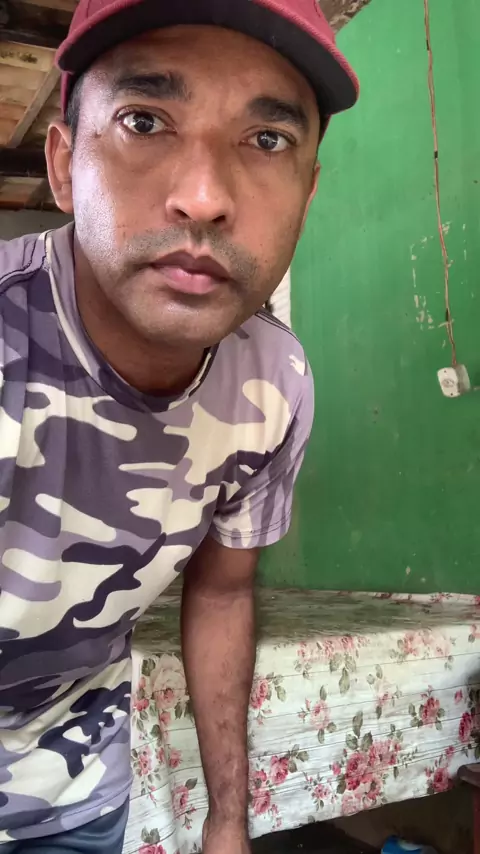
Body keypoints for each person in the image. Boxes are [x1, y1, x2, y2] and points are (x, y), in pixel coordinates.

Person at [0, 1, 358, 851]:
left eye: (265, 139)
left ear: (308, 194)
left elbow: (223, 592)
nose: (203, 197)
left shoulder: (275, 385)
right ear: (64, 164)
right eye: (144, 120)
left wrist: (228, 821)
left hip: (73, 792)